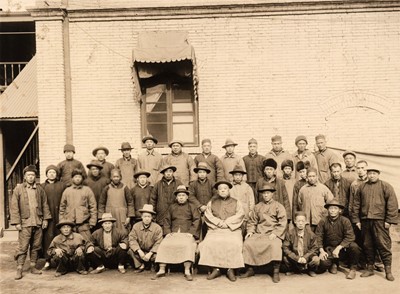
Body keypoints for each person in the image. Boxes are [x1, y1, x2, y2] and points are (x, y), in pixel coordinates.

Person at [352, 166, 398, 281]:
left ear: (378, 174)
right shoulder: (362, 187)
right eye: (370, 173)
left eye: (374, 173)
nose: (372, 175)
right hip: (365, 221)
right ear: (367, 174)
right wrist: (357, 220)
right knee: (368, 245)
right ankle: (370, 268)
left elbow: (392, 204)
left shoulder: (385, 186)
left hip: (380, 221)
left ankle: (388, 271)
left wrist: (389, 220)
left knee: (383, 245)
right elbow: (356, 204)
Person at [10, 165, 51, 280]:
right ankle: (19, 268)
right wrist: (17, 222)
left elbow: (44, 204)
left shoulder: (39, 190)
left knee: (36, 246)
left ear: (35, 177)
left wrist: (46, 219)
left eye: (33, 175)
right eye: (28, 175)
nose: (31, 177)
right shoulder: (18, 189)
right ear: (24, 176)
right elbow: (14, 207)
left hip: (37, 222)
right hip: (25, 223)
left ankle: (33, 266)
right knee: (23, 247)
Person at [198, 181, 245, 282]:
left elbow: (240, 214)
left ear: (229, 190)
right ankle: (216, 268)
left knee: (235, 243)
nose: (223, 190)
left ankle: (230, 269)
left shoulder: (236, 202)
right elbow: (208, 215)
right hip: (216, 229)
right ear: (218, 191)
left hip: (232, 229)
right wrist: (219, 223)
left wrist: (227, 223)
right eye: (220, 189)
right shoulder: (212, 202)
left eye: (225, 188)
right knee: (209, 242)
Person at [153, 185, 201, 281]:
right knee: (164, 244)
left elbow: (197, 220)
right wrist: (167, 232)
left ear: (187, 197)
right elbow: (166, 220)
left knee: (188, 245)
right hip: (173, 233)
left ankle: (187, 270)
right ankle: (162, 269)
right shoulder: (172, 207)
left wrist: (191, 233)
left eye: (183, 195)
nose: (181, 197)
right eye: (179, 196)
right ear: (176, 197)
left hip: (187, 233)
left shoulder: (192, 206)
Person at [241, 184, 287, 283]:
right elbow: (252, 221)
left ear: (272, 194)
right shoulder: (257, 207)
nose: (266, 195)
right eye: (264, 193)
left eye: (268, 193)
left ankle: (275, 271)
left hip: (272, 233)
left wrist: (276, 233)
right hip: (259, 233)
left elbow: (283, 222)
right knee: (248, 243)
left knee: (275, 244)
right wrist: (250, 231)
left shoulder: (279, 206)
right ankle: (250, 269)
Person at [316, 200, 362, 280]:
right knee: (323, 264)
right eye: (331, 208)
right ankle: (334, 263)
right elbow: (318, 236)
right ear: (328, 210)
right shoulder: (323, 221)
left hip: (343, 249)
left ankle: (352, 269)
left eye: (335, 208)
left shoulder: (345, 221)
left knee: (354, 247)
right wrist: (321, 251)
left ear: (339, 210)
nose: (333, 210)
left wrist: (339, 247)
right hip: (329, 249)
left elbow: (350, 236)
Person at [59, 168, 97, 241]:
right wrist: (62, 221)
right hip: (70, 224)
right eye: (75, 177)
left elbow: (93, 206)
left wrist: (92, 221)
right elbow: (62, 207)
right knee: (70, 244)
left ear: (82, 178)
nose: (77, 179)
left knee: (87, 244)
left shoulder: (87, 190)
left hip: (84, 223)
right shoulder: (67, 191)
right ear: (72, 178)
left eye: (79, 177)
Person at [41, 165, 67, 271]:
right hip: (48, 216)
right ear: (46, 174)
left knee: (60, 236)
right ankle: (47, 260)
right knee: (47, 237)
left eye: (54, 172)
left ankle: (60, 259)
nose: (52, 174)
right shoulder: (42, 186)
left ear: (56, 174)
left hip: (60, 215)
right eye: (50, 172)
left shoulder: (62, 185)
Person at [282, 211, 320, 277]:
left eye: (303, 221)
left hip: (307, 258)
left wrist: (305, 257)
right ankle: (293, 270)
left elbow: (315, 248)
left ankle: (310, 270)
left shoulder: (311, 234)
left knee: (316, 259)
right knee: (285, 258)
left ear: (306, 222)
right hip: (295, 259)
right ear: (295, 221)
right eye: (298, 221)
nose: (300, 223)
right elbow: (285, 248)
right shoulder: (290, 233)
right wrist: (296, 258)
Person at [128, 204, 163, 273]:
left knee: (158, 254)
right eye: (145, 216)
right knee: (130, 251)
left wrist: (150, 253)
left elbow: (159, 242)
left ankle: (152, 264)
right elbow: (132, 239)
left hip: (152, 252)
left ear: (152, 217)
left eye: (149, 216)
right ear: (141, 217)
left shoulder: (157, 228)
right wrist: (139, 250)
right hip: (140, 252)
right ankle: (140, 265)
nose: (147, 218)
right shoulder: (136, 226)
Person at [255, 158, 291, 222]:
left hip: (277, 214)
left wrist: (287, 216)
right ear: (264, 171)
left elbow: (286, 199)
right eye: (267, 169)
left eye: (271, 169)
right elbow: (256, 199)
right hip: (264, 216)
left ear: (274, 170)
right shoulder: (259, 182)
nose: (269, 171)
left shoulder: (280, 183)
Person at [150, 165, 184, 229]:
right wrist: (153, 215)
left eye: (170, 171)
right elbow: (152, 200)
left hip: (176, 215)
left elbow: (184, 198)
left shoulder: (179, 183)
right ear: (163, 173)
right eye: (166, 172)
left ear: (173, 173)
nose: (168, 173)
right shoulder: (158, 184)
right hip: (161, 215)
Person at [189, 162, 215, 240]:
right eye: (200, 172)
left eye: (204, 172)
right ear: (197, 173)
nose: (202, 174)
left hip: (210, 209)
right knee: (197, 225)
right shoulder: (193, 184)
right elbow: (190, 196)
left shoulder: (212, 184)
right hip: (197, 209)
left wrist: (208, 205)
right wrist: (200, 206)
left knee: (209, 226)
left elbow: (216, 195)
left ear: (207, 173)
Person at [229, 164, 255, 235]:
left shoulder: (247, 187)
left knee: (244, 231)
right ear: (233, 176)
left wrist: (251, 211)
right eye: (236, 175)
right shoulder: (229, 187)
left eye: (239, 175)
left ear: (242, 176)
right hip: (233, 214)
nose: (237, 177)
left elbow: (251, 201)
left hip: (244, 214)